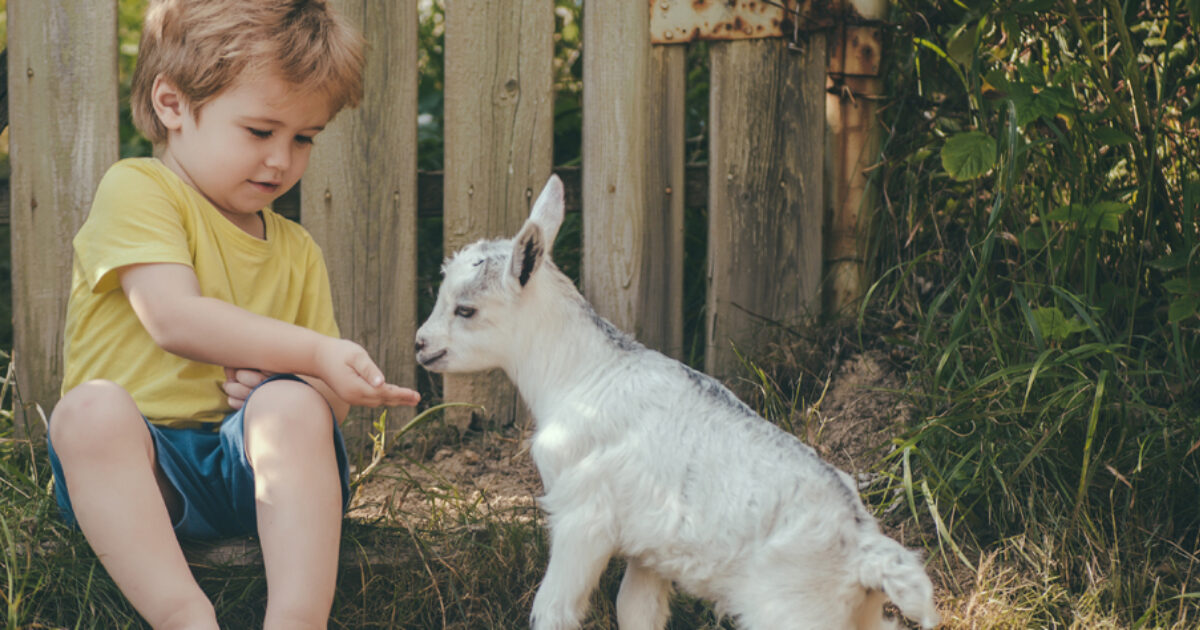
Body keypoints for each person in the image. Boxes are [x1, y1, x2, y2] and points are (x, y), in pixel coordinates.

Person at [45, 1, 419, 628]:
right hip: (142, 474)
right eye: (260, 131)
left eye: (304, 138)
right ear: (172, 104)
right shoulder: (140, 189)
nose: (281, 161)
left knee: (292, 406)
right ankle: (183, 615)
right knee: (88, 412)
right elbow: (174, 318)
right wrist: (312, 355)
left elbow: (328, 404)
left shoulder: (297, 250)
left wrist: (302, 387)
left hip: (250, 472)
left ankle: (297, 619)